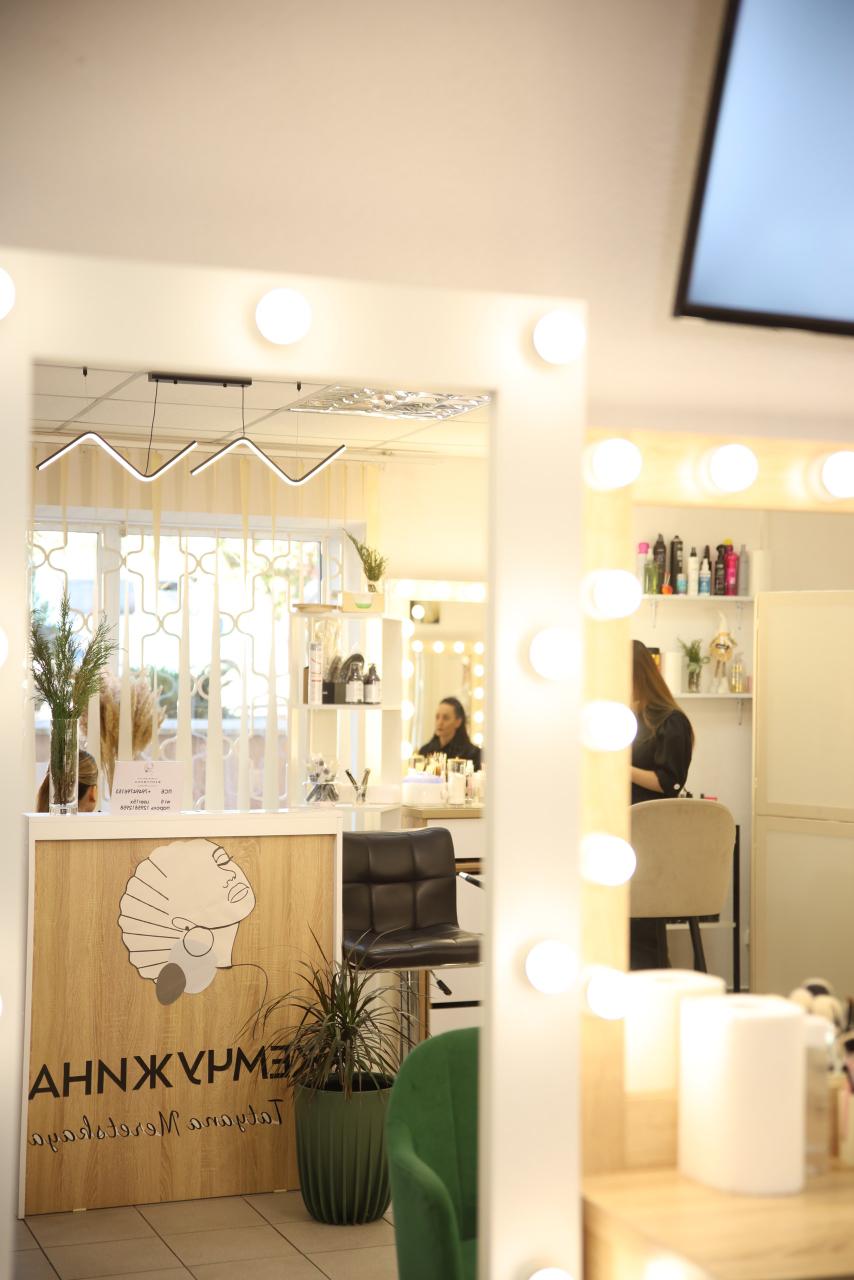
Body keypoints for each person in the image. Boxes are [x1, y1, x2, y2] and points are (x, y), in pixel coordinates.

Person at [629, 640, 694, 969]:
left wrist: (622, 768)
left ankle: (648, 977)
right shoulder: (621, 718)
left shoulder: (669, 721)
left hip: (651, 836)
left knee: (640, 921)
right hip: (621, 830)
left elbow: (669, 782)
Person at [418, 696, 482, 771]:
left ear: (458, 722)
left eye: (446, 718)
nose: (439, 722)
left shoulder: (473, 754)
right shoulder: (425, 751)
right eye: (437, 717)